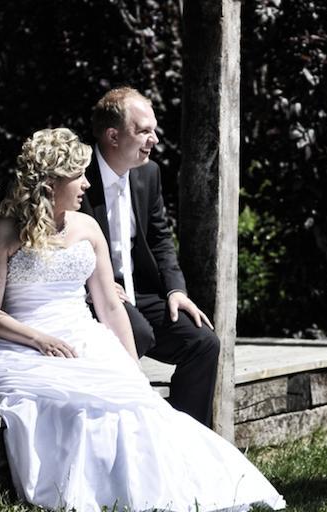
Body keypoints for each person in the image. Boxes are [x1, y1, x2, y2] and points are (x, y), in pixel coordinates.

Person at [0, 128, 285, 512]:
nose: (87, 183)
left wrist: (130, 367)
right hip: (22, 343)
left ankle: (164, 492)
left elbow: (110, 306)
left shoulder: (87, 227)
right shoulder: (4, 230)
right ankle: (88, 492)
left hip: (84, 336)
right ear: (52, 183)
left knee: (138, 406)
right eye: (78, 175)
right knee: (69, 407)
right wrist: (38, 340)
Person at [80, 86, 219, 426]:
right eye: (143, 131)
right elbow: (57, 240)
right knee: (137, 332)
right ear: (113, 136)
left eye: (153, 129)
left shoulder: (148, 173)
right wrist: (94, 284)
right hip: (89, 294)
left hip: (139, 291)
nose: (154, 139)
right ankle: (126, 425)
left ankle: (187, 435)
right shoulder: (78, 174)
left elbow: (160, 238)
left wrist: (176, 290)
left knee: (204, 343)